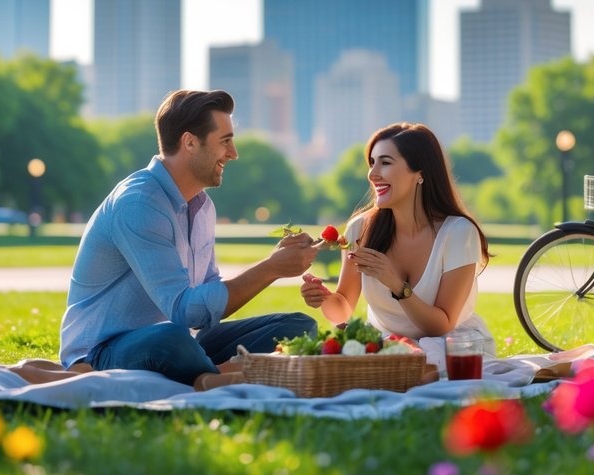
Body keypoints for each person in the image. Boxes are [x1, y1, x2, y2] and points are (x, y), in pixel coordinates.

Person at [59, 89, 319, 390]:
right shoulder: (138, 204)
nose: (234, 153)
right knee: (169, 337)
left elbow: (205, 309)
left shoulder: (203, 206)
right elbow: (186, 311)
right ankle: (226, 374)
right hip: (104, 349)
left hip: (181, 340)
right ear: (190, 142)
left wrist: (274, 264)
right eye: (225, 141)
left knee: (297, 327)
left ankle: (213, 372)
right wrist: (270, 269)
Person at [300, 122, 494, 369]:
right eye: (372, 163)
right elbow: (342, 310)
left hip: (449, 347)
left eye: (385, 162)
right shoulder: (359, 230)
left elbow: (440, 325)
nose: (373, 174)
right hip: (388, 348)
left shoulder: (458, 232)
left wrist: (395, 283)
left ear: (420, 173)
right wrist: (324, 299)